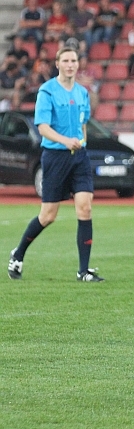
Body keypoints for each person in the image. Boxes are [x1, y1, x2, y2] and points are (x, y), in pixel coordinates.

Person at [8, 46, 103, 283]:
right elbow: (42, 128)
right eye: (66, 61)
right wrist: (65, 141)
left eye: (74, 61)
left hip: (79, 157)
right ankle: (18, 254)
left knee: (85, 208)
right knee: (48, 215)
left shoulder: (82, 93)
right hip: (55, 157)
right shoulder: (47, 91)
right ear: (58, 64)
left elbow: (83, 123)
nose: (70, 65)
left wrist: (81, 141)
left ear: (78, 64)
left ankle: (83, 271)